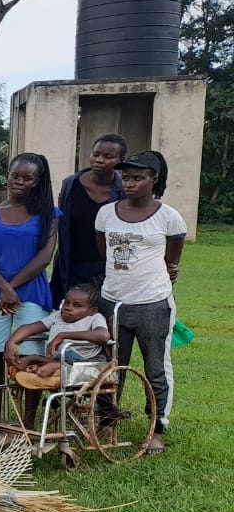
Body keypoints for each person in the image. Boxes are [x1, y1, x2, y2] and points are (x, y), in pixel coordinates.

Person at [96, 151, 185, 452]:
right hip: (113, 302)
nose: (130, 183)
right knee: (111, 366)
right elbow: (103, 253)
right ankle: (107, 422)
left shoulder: (169, 217)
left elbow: (171, 261)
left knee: (155, 367)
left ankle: (157, 427)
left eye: (138, 178)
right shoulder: (106, 213)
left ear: (154, 179)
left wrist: (164, 272)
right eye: (127, 178)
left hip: (152, 303)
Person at [0, 153, 60, 428]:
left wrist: (11, 289)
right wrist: (3, 288)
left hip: (31, 293)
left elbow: (44, 257)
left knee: (28, 355)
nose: (20, 182)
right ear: (8, 175)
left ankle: (28, 423)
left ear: (37, 182)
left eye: (28, 178)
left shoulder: (48, 214)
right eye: (16, 176)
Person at [51, 133, 127, 304]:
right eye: (96, 154)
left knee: (102, 315)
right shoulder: (70, 184)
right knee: (70, 314)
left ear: (120, 160)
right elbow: (63, 225)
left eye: (108, 157)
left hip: (107, 267)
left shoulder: (124, 191)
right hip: (71, 264)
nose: (99, 160)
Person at [4, 283, 109, 391]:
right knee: (23, 362)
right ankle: (41, 362)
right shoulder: (58, 316)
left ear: (92, 310)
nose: (68, 308)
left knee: (51, 364)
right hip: (62, 358)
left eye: (77, 305)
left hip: (88, 360)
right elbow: (30, 328)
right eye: (66, 303)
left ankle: (54, 365)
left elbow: (103, 336)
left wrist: (63, 336)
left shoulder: (95, 318)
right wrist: (11, 343)